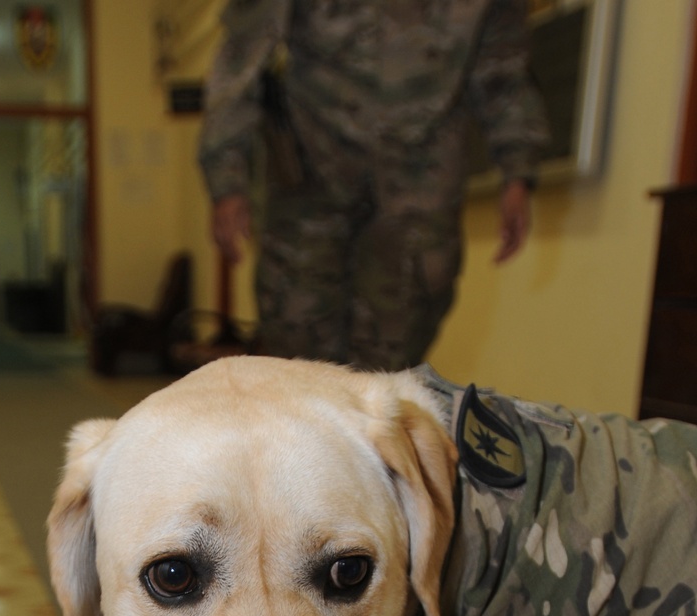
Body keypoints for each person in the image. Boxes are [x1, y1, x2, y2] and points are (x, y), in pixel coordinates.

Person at [198, 0, 550, 370]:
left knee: (394, 351)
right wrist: (227, 182)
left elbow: (504, 75)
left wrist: (518, 172)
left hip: (421, 182)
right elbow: (240, 62)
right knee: (298, 345)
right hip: (313, 175)